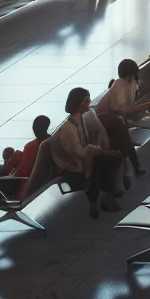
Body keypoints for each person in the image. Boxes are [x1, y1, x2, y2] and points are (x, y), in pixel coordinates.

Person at [52, 87, 123, 218]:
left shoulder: (82, 119)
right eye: (86, 100)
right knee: (98, 166)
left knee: (112, 159)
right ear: (79, 103)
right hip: (76, 165)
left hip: (85, 159)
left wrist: (97, 149)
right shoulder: (68, 127)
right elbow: (80, 152)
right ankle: (98, 200)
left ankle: (104, 195)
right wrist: (98, 150)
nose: (89, 102)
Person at [95, 57, 150, 177]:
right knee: (124, 136)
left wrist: (146, 106)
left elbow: (128, 108)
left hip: (117, 120)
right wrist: (146, 105)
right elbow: (121, 110)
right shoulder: (118, 85)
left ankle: (131, 169)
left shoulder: (131, 84)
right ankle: (135, 167)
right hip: (104, 119)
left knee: (122, 137)